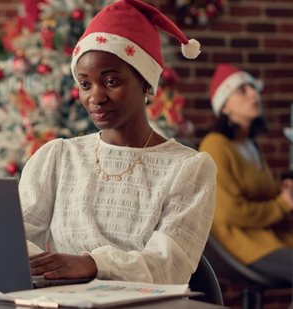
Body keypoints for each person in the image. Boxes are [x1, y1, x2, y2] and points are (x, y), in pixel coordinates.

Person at [19, 0, 217, 284]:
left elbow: (170, 264)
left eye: (111, 82)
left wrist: (92, 264)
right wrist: (45, 270)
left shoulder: (188, 168)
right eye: (85, 84)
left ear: (146, 83)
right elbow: (13, 238)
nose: (95, 97)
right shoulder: (58, 158)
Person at [199, 64, 293, 284]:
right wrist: (281, 205)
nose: (254, 94)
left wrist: (284, 191)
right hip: (241, 244)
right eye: (243, 90)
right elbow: (230, 212)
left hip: (269, 237)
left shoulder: (250, 144)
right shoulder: (214, 145)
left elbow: (265, 194)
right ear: (225, 107)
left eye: (253, 88)